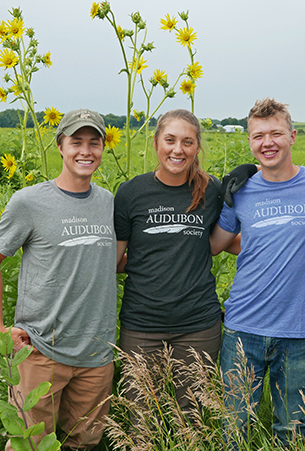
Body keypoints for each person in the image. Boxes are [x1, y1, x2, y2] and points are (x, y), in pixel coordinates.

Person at [0, 109, 117, 451]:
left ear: (102, 148)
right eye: (76, 142)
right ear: (60, 146)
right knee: (29, 445)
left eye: (94, 143)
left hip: (96, 355)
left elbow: (108, 261)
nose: (86, 151)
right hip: (40, 350)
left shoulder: (109, 202)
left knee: (82, 444)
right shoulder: (29, 202)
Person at [210, 98, 305, 447]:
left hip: (297, 333)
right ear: (250, 142)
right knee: (235, 429)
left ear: (293, 136)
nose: (267, 142)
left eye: (276, 133)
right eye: (258, 136)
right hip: (242, 327)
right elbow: (215, 244)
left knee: (291, 431)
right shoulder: (241, 191)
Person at [113, 109, 225, 415]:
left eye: (187, 142)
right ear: (156, 143)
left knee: (192, 420)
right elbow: (115, 260)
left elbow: (223, 242)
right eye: (170, 140)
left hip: (199, 326)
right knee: (142, 418)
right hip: (141, 325)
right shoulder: (131, 193)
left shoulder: (212, 190)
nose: (178, 149)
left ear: (197, 147)